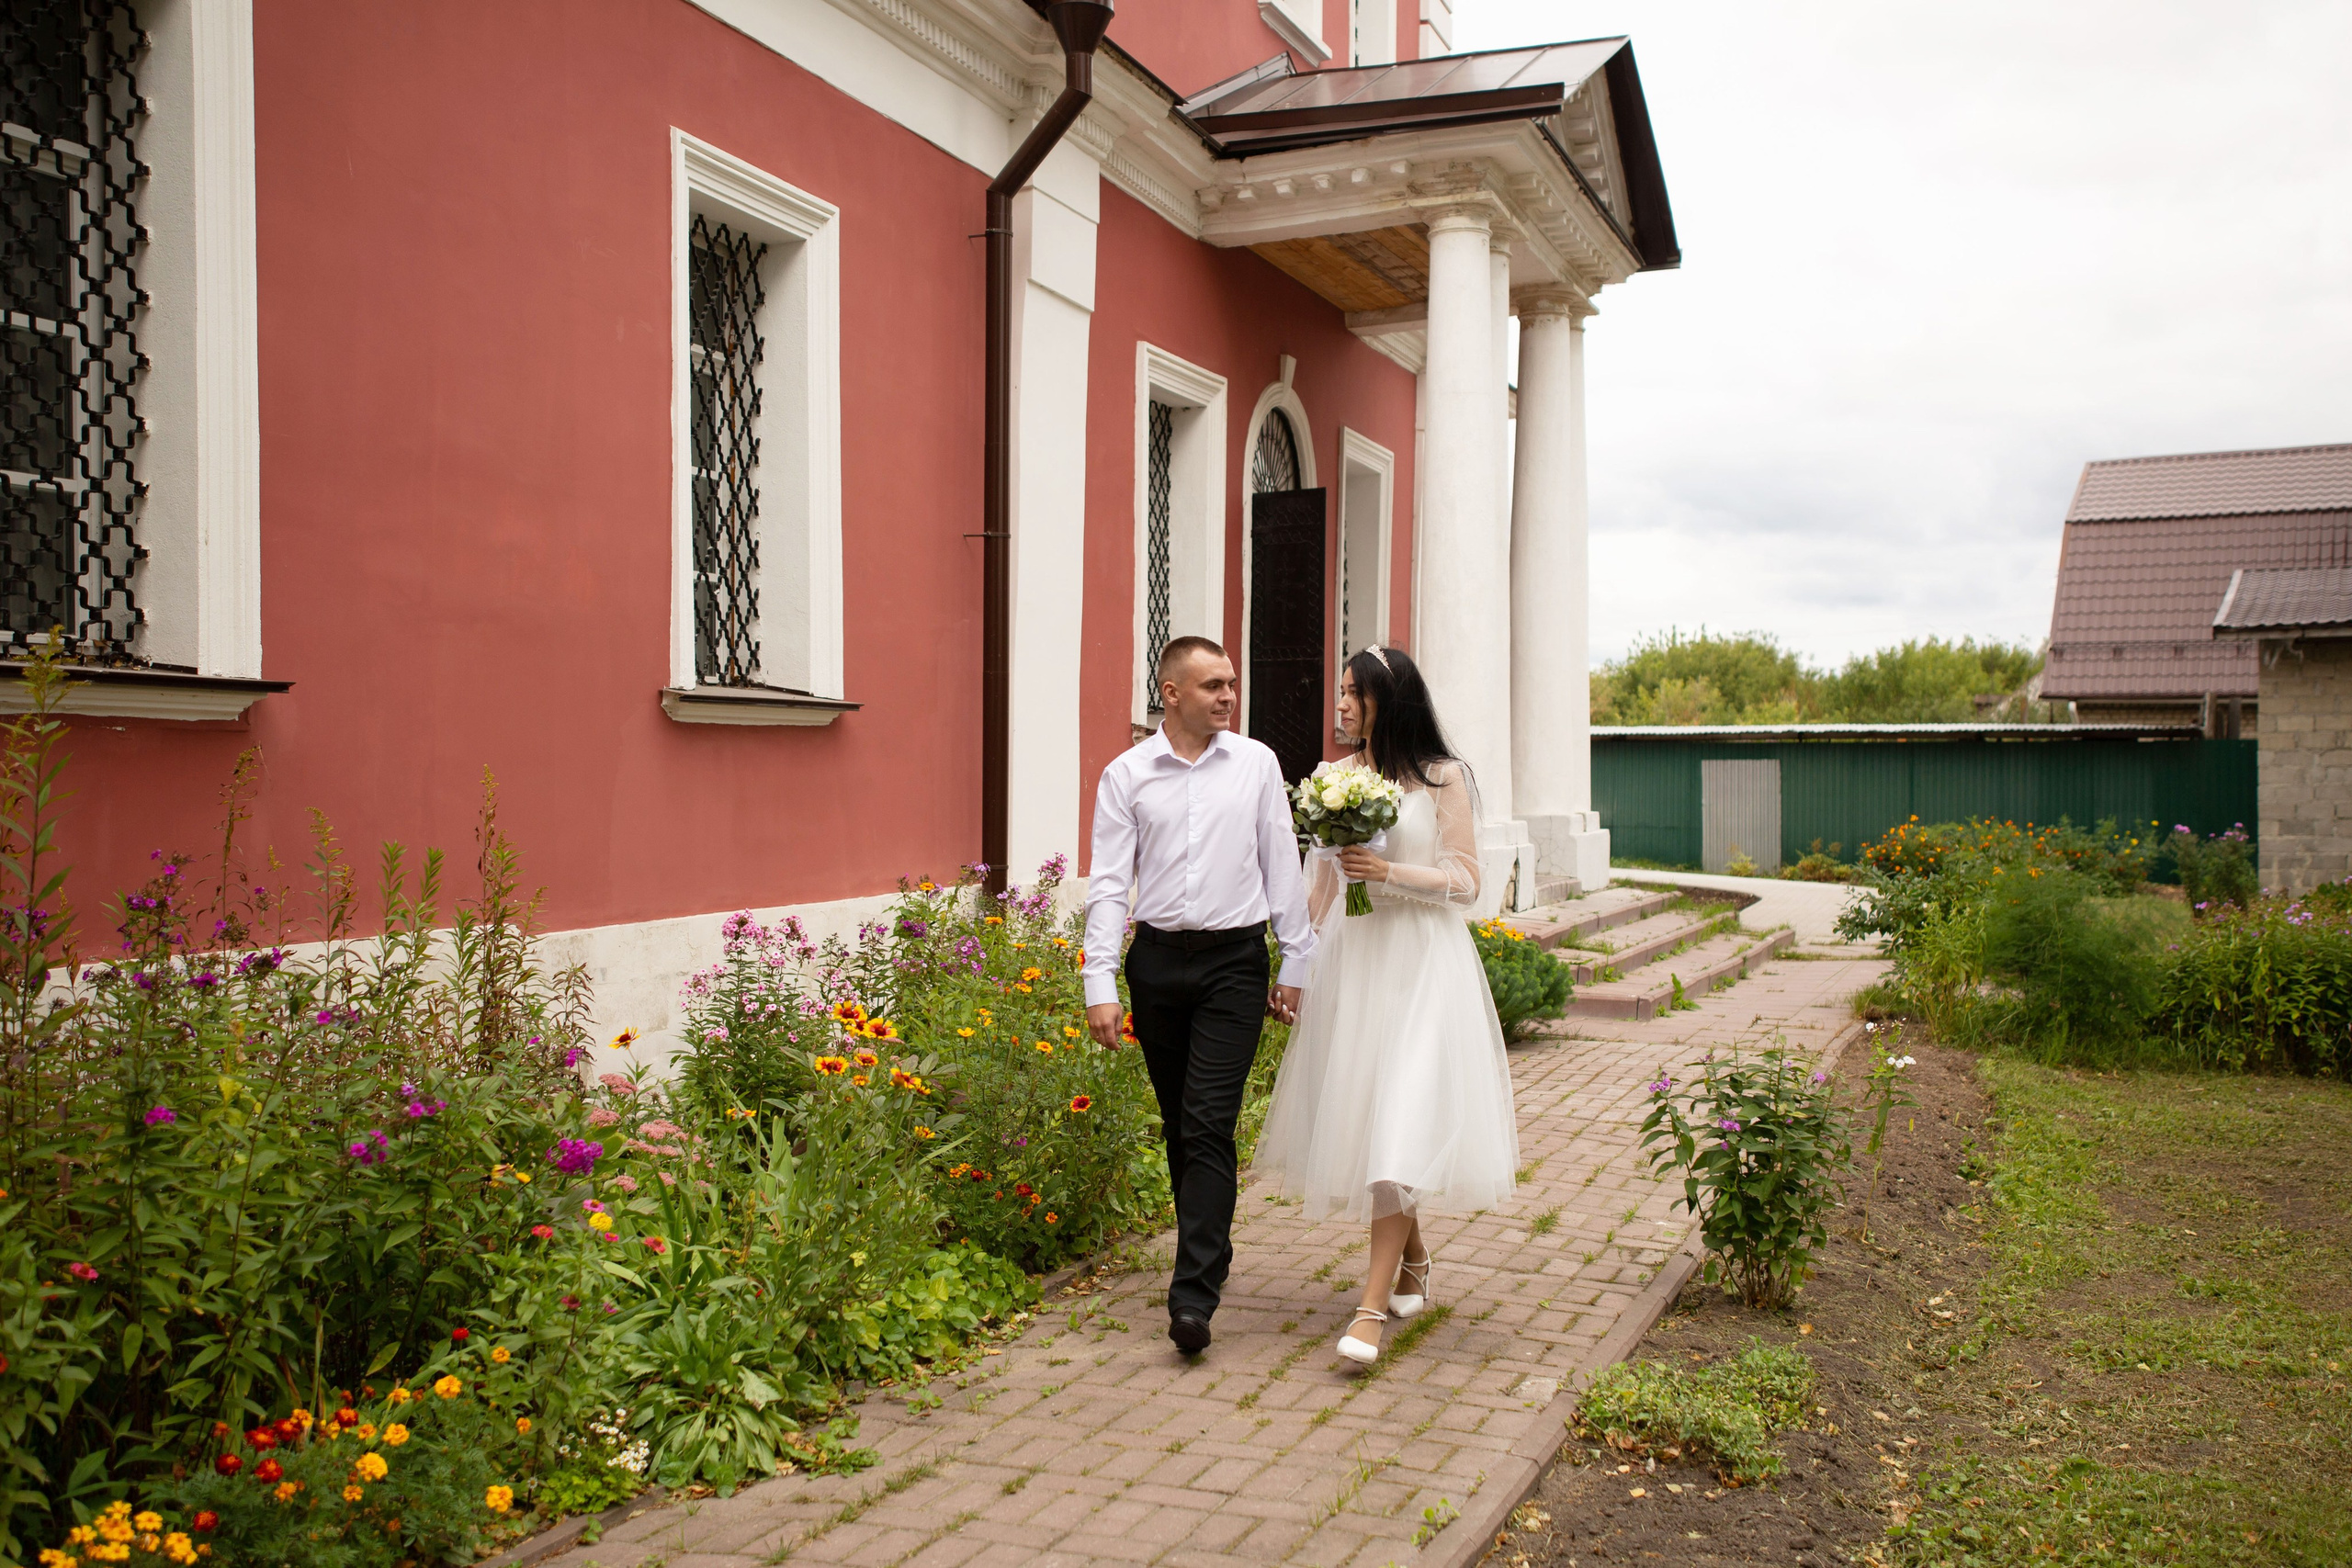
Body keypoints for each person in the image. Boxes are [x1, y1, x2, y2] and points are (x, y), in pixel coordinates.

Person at [1251, 644, 1520, 1364]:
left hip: (1423, 964)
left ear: (1386, 701)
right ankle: (1414, 1257)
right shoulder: (1333, 778)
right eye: (1339, 691)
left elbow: (1466, 880)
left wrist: (1390, 869)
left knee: (1399, 1119)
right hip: (1357, 961)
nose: (1340, 704)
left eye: (1353, 693)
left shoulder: (1441, 779)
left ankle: (1369, 1309)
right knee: (1377, 1122)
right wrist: (1296, 965)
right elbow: (1323, 882)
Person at [1083, 637, 1315, 1356]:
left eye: (1232, 684)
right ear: (1172, 692)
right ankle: (1210, 1250)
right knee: (1182, 1125)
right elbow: (1109, 882)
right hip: (1155, 965)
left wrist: (1296, 960)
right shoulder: (1126, 775)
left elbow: (1283, 861)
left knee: (1209, 1119)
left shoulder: (1256, 765)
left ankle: (1193, 1294)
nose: (1229, 696)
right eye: (1213, 684)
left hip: (1233, 965)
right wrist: (1100, 980)